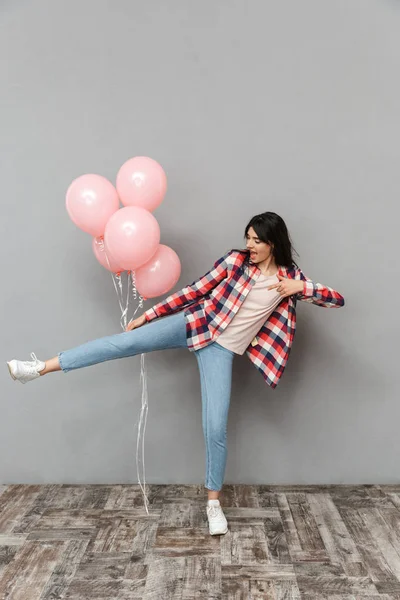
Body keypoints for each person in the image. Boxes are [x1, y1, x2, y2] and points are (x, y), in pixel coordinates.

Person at [6, 211, 345, 536]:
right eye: (248, 238)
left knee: (214, 426)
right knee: (122, 344)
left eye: (257, 240)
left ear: (274, 242)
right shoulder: (235, 262)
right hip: (193, 324)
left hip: (221, 351)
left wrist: (302, 290)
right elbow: (195, 291)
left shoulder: (290, 278)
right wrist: (150, 315)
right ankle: (39, 368)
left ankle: (213, 504)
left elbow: (336, 300)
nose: (250, 246)